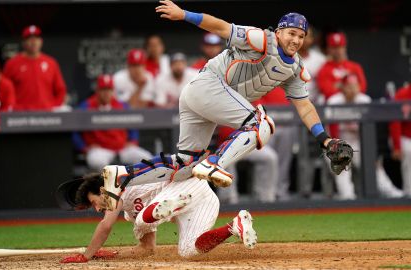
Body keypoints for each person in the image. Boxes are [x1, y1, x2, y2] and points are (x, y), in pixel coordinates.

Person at [100, 1, 353, 211]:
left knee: (185, 164)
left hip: (206, 97)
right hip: (208, 85)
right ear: (279, 32)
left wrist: (325, 140)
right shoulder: (262, 39)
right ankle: (215, 163)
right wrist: (183, 14)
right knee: (261, 123)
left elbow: (305, 106)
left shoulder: (295, 69)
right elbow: (220, 26)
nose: (296, 39)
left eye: (301, 35)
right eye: (291, 33)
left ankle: (122, 175)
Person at [56, 173, 257, 262]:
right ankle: (234, 226)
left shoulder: (115, 184)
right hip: (202, 200)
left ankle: (171, 205)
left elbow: (106, 225)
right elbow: (147, 249)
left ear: (102, 189)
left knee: (144, 219)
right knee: (189, 251)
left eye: (94, 202)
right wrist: (112, 254)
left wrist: (87, 255)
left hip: (188, 186)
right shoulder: (130, 212)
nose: (98, 208)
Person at [327, 74, 404, 199]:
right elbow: (332, 129)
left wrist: (372, 151)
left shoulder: (364, 100)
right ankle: (347, 196)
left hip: (359, 139)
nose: (352, 89)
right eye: (349, 86)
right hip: (338, 139)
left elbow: (370, 130)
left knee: (373, 163)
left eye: (355, 86)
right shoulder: (334, 101)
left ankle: (390, 191)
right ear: (342, 87)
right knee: (340, 162)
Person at [72, 74, 153, 171]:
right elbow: (74, 130)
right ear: (97, 90)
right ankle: (108, 185)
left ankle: (137, 185)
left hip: (122, 148)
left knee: (147, 158)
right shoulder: (86, 106)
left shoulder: (122, 105)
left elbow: (133, 125)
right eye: (103, 89)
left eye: (109, 89)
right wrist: (84, 148)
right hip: (100, 150)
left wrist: (133, 141)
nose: (106, 93)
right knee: (97, 162)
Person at [3, 25, 67, 111]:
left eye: (36, 38)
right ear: (23, 42)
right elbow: (4, 88)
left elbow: (61, 90)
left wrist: (54, 106)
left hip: (47, 115)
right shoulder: (12, 63)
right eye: (30, 39)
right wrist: (13, 107)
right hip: (20, 116)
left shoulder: (51, 63)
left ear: (41, 41)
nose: (33, 42)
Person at [216, 126, 279, 203]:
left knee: (270, 157)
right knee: (225, 160)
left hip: (249, 144)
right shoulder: (224, 114)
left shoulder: (249, 114)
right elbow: (224, 133)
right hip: (228, 145)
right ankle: (227, 199)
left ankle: (265, 198)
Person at [317, 32, 367, 100]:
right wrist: (345, 90)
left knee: (365, 99)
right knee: (333, 100)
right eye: (334, 47)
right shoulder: (324, 69)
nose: (338, 50)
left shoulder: (355, 66)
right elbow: (326, 91)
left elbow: (363, 86)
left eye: (340, 47)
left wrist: (341, 87)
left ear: (345, 47)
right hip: (337, 103)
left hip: (354, 98)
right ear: (328, 49)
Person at [389, 83, 411, 197]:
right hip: (405, 136)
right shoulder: (403, 94)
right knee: (409, 151)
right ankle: (409, 192)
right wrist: (397, 146)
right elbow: (395, 123)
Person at [297, 26, 326, 104]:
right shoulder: (285, 57)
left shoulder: (320, 59)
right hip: (291, 103)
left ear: (312, 39)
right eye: (301, 36)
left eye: (307, 36)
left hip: (315, 102)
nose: (304, 39)